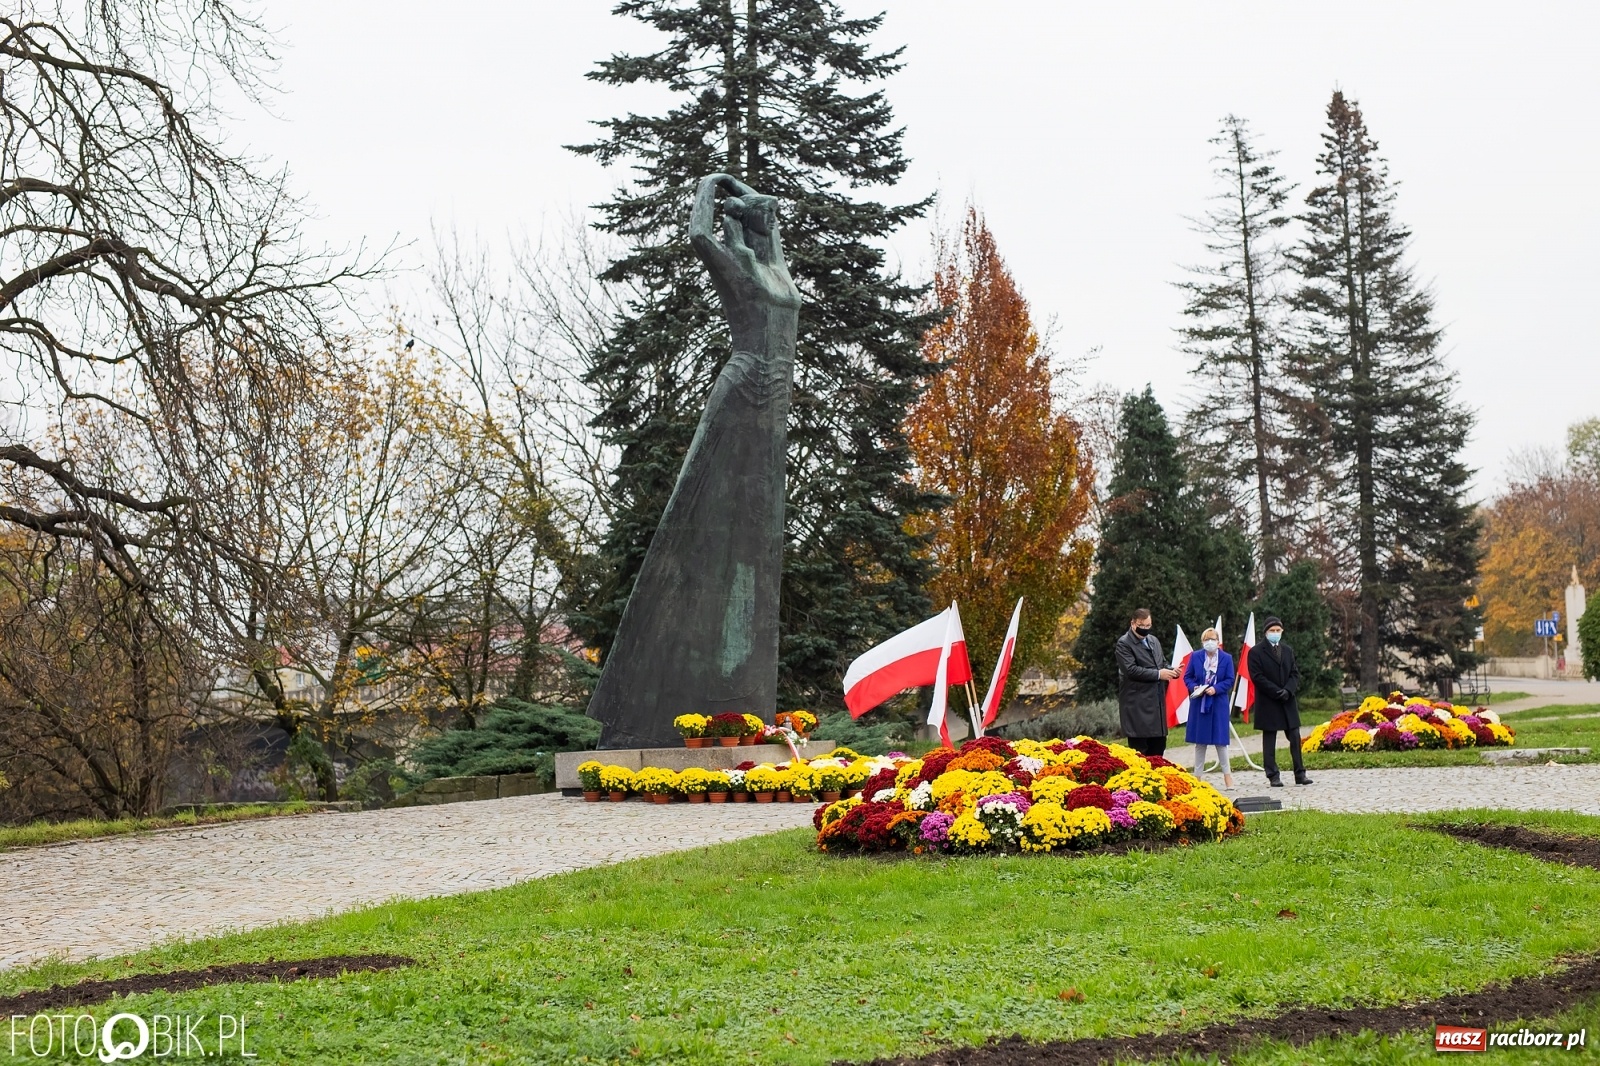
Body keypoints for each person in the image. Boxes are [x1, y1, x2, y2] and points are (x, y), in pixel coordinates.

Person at [1247, 616, 1313, 786]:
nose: (1275, 633)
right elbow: (1257, 677)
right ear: (1266, 632)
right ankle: (1273, 775)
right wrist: (1276, 691)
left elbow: (1294, 673)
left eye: (1278, 630)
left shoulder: (1287, 650)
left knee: (1295, 736)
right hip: (1269, 701)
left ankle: (1300, 773)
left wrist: (1288, 690)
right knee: (1270, 739)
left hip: (1287, 700)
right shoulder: (1255, 652)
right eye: (1272, 631)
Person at [1115, 608, 1178, 756]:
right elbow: (1130, 670)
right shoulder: (1124, 644)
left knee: (1158, 751)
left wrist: (1172, 671)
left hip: (1156, 706)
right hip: (1138, 707)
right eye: (1141, 626)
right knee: (1141, 754)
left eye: (1148, 626)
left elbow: (1161, 663)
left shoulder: (1153, 641)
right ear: (1133, 623)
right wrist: (1158, 674)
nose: (1145, 629)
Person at [1183, 627, 1236, 789]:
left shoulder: (1226, 658)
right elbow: (1188, 677)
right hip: (1200, 703)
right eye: (1207, 640)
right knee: (1201, 742)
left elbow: (1229, 679)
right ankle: (1197, 778)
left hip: (1218, 703)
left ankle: (1228, 778)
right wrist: (1195, 687)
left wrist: (1217, 688)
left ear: (1218, 641)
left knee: (1221, 742)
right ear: (1202, 641)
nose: (1210, 642)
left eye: (1213, 639)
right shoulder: (1196, 656)